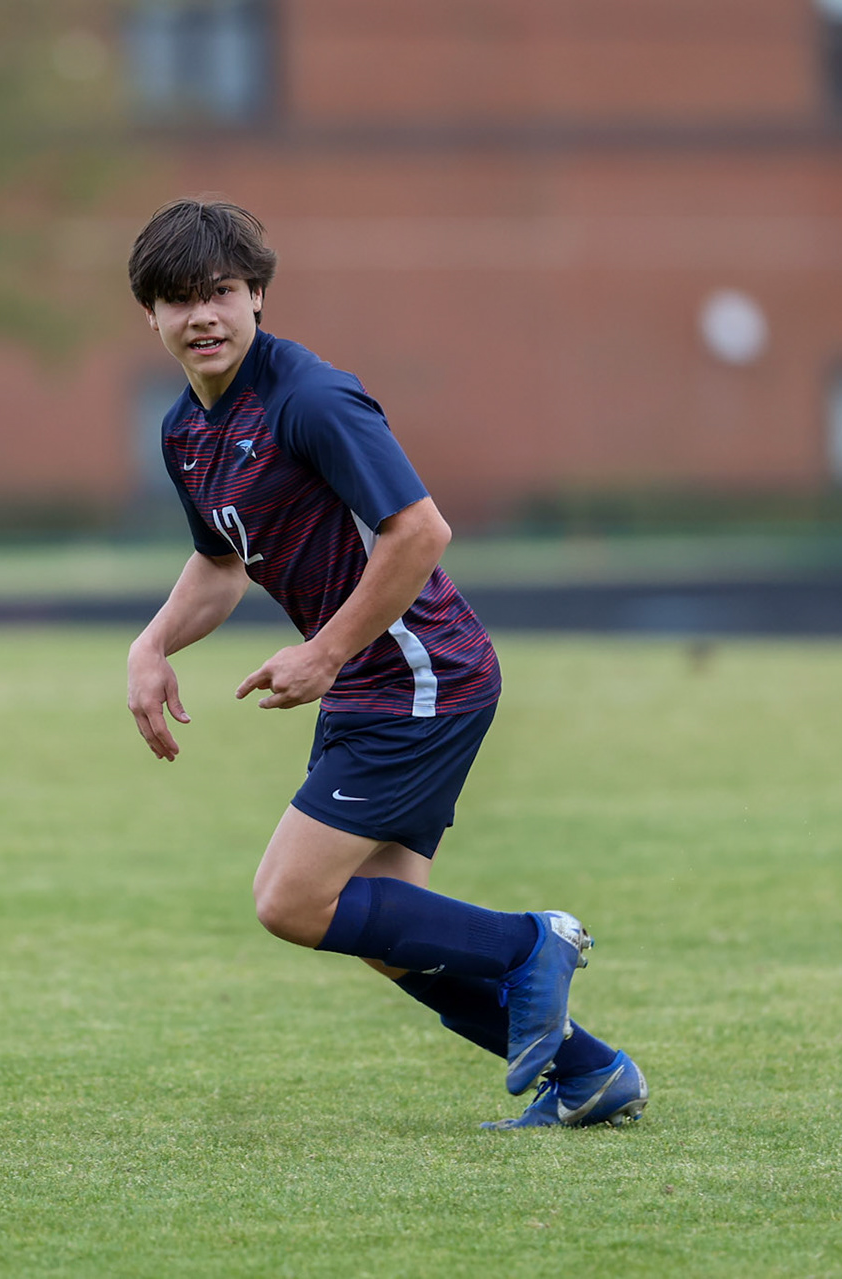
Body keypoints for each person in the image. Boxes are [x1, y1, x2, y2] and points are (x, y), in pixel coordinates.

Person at [122, 197, 647, 1130]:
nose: (201, 315)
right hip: (375, 680)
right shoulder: (187, 432)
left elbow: (420, 530)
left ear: (257, 298)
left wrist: (325, 651)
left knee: (291, 898)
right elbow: (220, 559)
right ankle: (593, 1072)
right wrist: (153, 643)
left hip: (419, 676)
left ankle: (535, 944)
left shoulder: (311, 399)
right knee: (389, 931)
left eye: (221, 292)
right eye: (177, 299)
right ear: (150, 316)